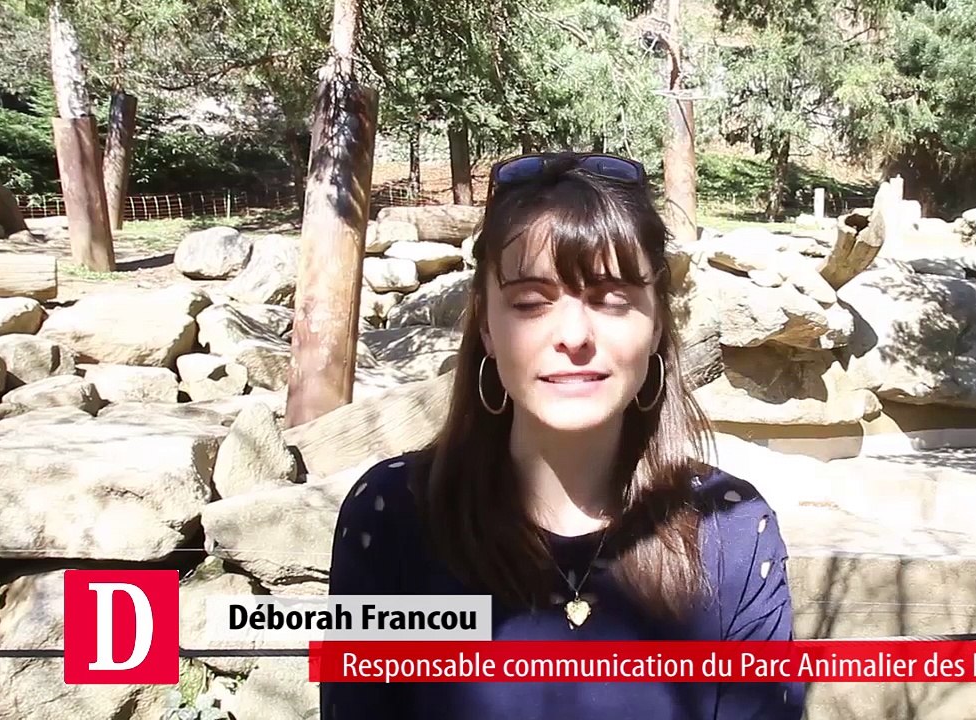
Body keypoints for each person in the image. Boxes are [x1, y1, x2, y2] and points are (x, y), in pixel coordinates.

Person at [319, 151, 805, 719]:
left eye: (614, 299)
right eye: (530, 302)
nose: (574, 334)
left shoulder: (735, 531)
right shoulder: (392, 518)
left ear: (657, 326)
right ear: (486, 326)